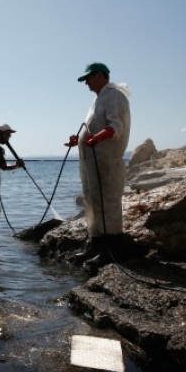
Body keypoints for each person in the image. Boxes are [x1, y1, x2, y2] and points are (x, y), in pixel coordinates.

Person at [65, 62, 131, 270]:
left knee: (108, 202)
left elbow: (115, 127)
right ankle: (95, 245)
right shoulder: (98, 99)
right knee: (92, 201)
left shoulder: (114, 95)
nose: (86, 84)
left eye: (88, 79)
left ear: (101, 76)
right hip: (91, 162)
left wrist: (98, 137)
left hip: (106, 161)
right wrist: (81, 139)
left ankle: (111, 250)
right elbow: (94, 127)